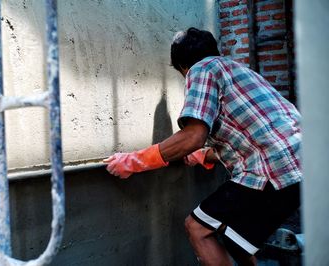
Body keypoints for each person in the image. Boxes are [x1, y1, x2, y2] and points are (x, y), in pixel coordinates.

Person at [103, 27, 302, 265]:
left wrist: (134, 161)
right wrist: (205, 156)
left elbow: (192, 137)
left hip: (275, 169)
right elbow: (254, 138)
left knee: (197, 228)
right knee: (235, 241)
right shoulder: (239, 70)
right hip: (300, 162)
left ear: (182, 68)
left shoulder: (202, 69)